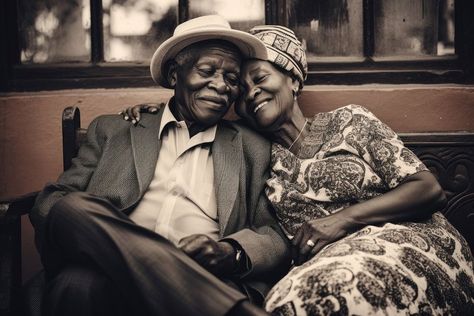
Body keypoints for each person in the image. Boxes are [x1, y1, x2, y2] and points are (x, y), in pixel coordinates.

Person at [123, 25, 474, 315]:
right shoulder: (258, 154)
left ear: (293, 80)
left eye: (260, 78)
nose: (251, 93)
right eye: (241, 90)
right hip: (325, 263)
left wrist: (342, 220)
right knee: (288, 301)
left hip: (407, 242)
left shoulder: (350, 120)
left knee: (335, 285)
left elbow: (428, 189)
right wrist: (161, 111)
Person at [30, 15, 292, 316]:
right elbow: (51, 204)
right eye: (207, 71)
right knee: (71, 214)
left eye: (232, 79)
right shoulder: (115, 129)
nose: (221, 86)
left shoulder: (252, 147)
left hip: (204, 281)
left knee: (73, 283)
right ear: (173, 76)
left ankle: (184, 283)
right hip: (110, 274)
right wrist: (113, 242)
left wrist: (230, 252)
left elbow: (274, 235)